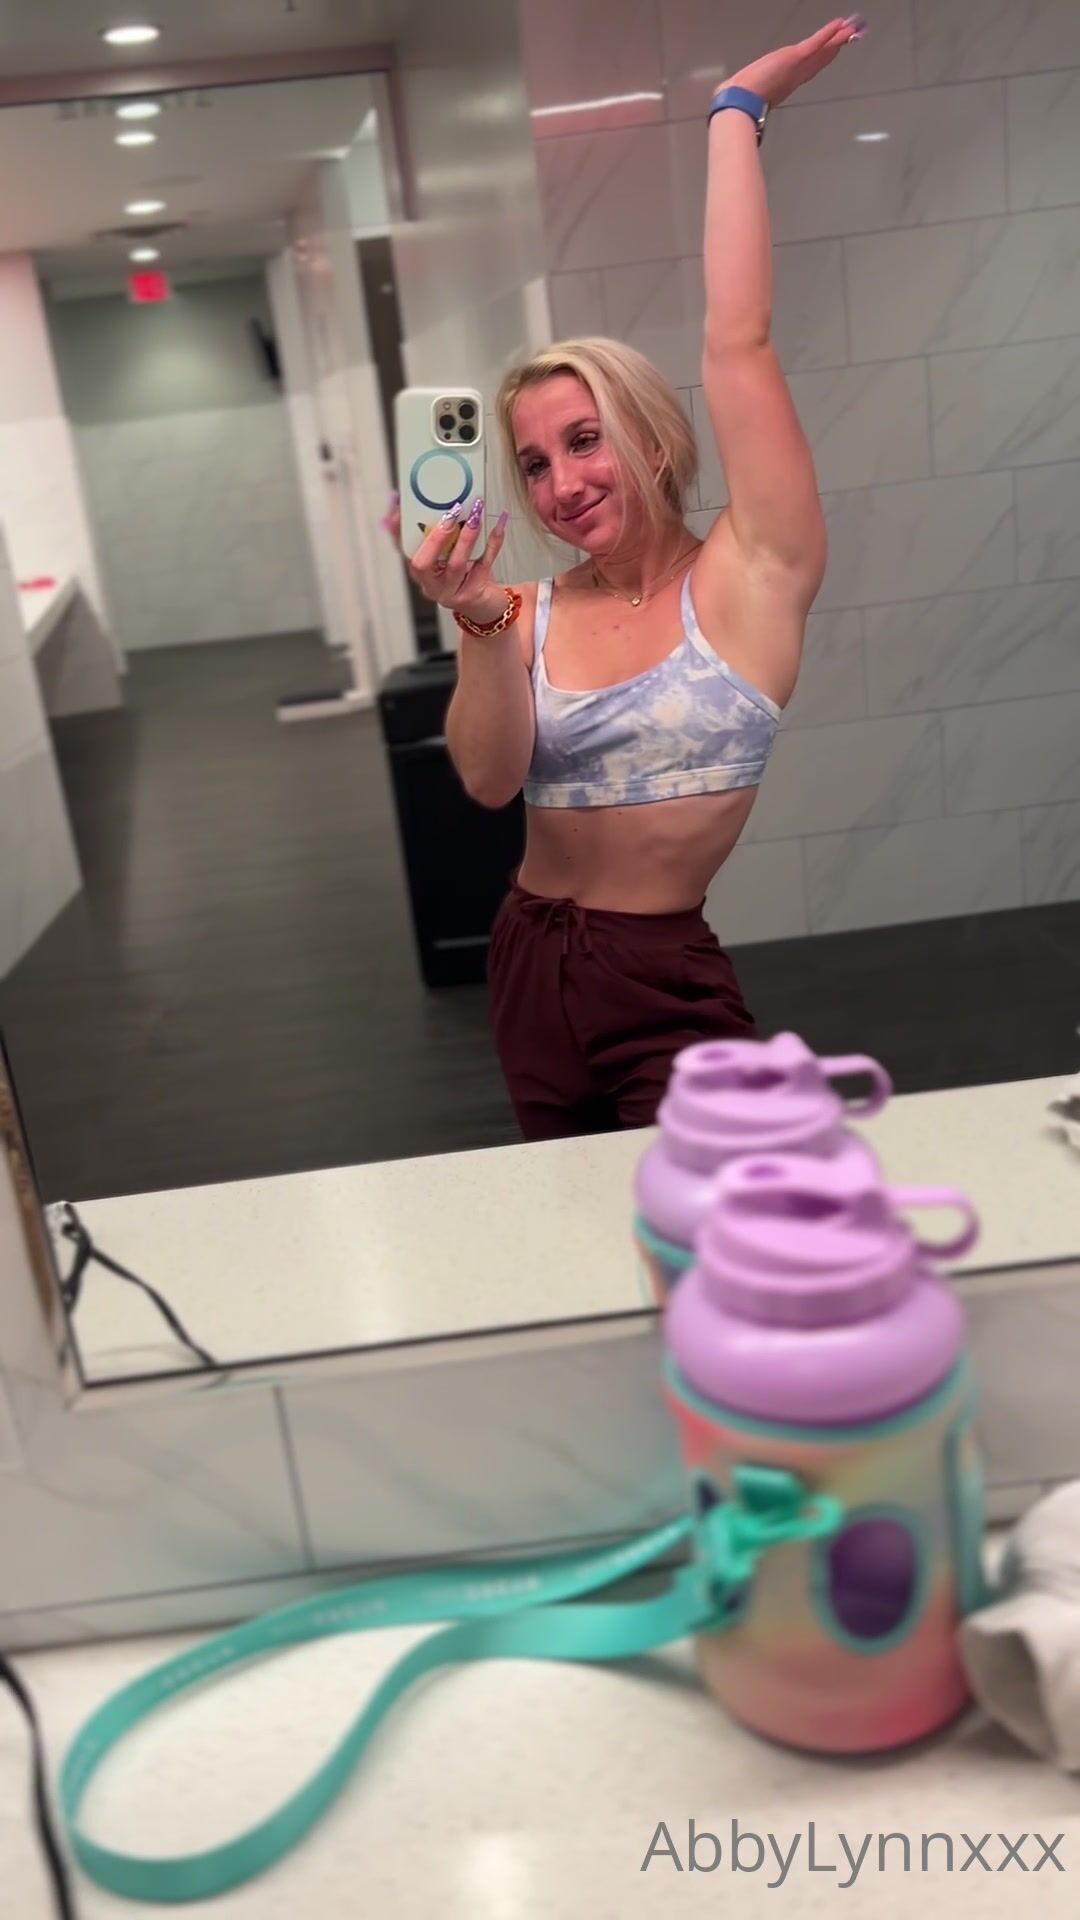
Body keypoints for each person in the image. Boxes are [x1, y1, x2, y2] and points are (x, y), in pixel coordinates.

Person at [383, 17, 863, 1141]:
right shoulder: (522, 610)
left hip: (662, 977)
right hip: (527, 962)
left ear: (648, 437)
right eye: (534, 464)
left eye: (585, 440)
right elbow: (488, 784)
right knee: (569, 1219)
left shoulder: (753, 572)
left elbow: (738, 340)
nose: (561, 483)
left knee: (705, 1214)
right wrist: (476, 618)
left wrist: (736, 113)